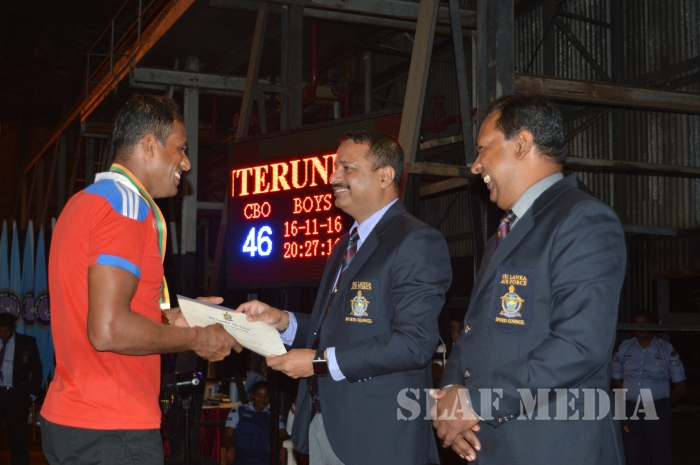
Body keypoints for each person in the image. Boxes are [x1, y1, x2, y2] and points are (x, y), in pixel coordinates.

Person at [41, 94, 241, 464]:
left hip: (72, 420)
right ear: (149, 145)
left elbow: (101, 312)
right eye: (180, 148)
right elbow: (108, 330)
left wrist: (175, 317)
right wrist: (197, 339)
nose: (187, 162)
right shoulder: (128, 207)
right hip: (114, 428)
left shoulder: (82, 203)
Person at [433, 94, 627, 464]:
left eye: (482, 149)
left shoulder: (582, 219)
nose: (475, 166)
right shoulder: (507, 231)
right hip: (492, 444)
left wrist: (475, 402)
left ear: (521, 143)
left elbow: (579, 345)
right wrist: (452, 401)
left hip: (551, 449)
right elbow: (474, 331)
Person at [238, 131, 452, 465]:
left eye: (347, 168)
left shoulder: (416, 240)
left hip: (379, 438)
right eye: (335, 167)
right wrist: (282, 320)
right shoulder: (345, 244)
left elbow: (414, 343)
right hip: (325, 427)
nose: (333, 177)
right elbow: (336, 330)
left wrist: (318, 362)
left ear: (385, 176)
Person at [612, 313, 687, 465]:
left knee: (660, 456)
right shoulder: (624, 347)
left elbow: (681, 387)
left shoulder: (666, 349)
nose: (640, 326)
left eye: (644, 322)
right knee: (632, 455)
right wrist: (629, 397)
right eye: (636, 323)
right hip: (631, 411)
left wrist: (663, 405)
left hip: (658, 410)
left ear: (653, 326)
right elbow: (614, 379)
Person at [0, 312, 42, 465]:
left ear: (14, 328)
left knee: (18, 438)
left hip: (16, 396)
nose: (2, 335)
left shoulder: (27, 343)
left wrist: (30, 395)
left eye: (6, 331)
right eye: (0, 331)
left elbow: (37, 370)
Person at [221, 381, 287, 465]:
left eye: (266, 396)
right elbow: (227, 436)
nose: (263, 399)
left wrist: (276, 444)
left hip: (265, 458)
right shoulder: (238, 411)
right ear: (253, 395)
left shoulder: (274, 414)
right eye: (259, 395)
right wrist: (231, 447)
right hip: (241, 457)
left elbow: (284, 435)